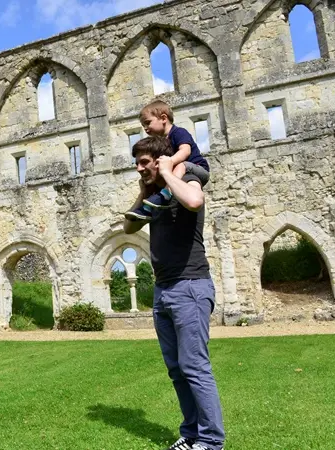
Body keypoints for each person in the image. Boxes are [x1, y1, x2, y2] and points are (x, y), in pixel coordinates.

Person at [123, 137, 225, 450]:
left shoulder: (188, 178)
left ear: (161, 159)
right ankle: (192, 433)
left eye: (144, 163)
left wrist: (168, 173)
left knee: (195, 366)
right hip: (164, 289)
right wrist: (147, 188)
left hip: (190, 285)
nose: (139, 168)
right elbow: (129, 226)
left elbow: (194, 201)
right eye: (137, 163)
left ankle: (210, 440)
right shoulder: (157, 194)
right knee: (177, 369)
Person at [126, 100, 210, 222]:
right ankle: (147, 209)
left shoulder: (179, 132)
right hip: (184, 170)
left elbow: (185, 151)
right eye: (143, 126)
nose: (146, 129)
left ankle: (165, 195)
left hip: (198, 168)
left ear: (163, 118)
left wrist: (169, 162)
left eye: (148, 123)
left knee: (180, 165)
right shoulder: (163, 141)